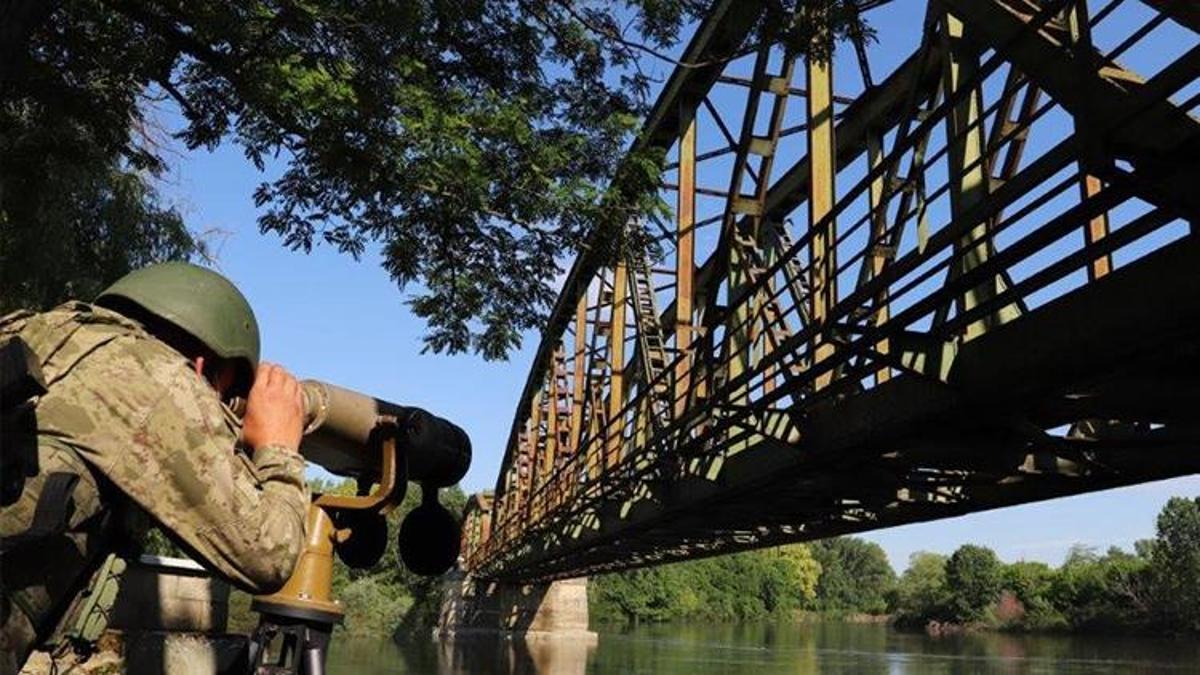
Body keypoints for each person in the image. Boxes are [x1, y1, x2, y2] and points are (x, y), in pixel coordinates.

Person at [0, 262, 310, 673]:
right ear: (202, 367)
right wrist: (278, 447)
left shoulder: (30, 330)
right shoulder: (161, 379)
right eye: (224, 393)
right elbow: (267, 555)